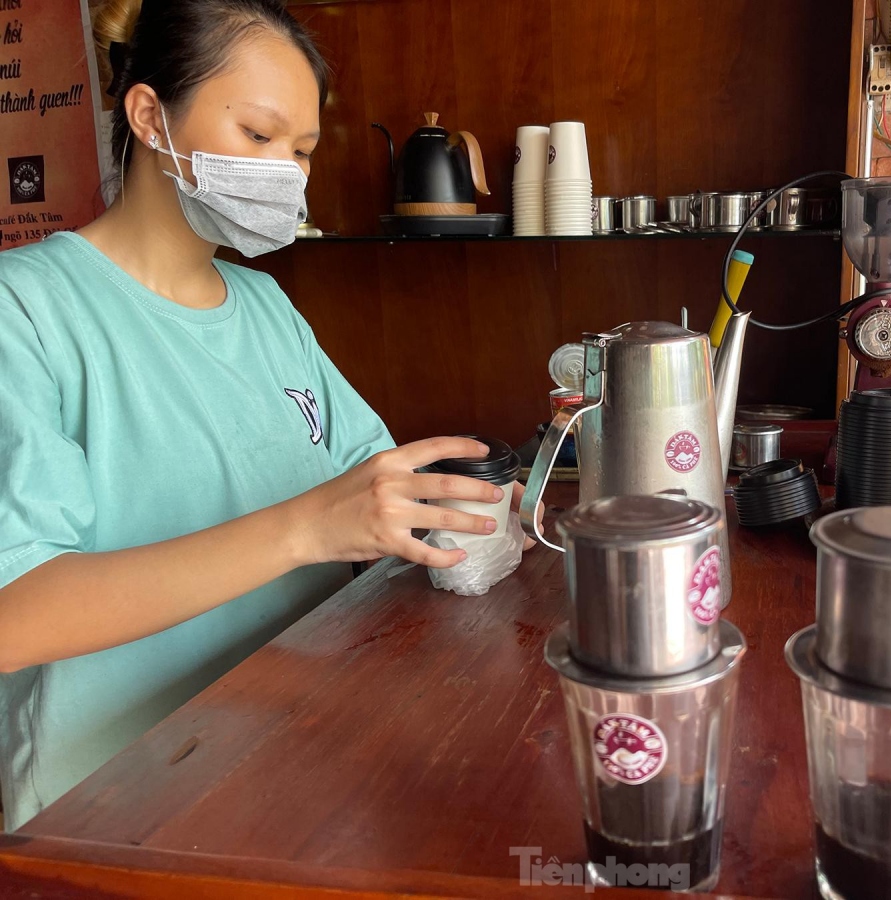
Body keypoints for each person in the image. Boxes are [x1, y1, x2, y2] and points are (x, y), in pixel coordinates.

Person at [0, 0, 533, 832]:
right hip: (118, 814)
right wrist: (304, 531)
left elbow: (370, 484)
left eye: (303, 151)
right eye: (259, 136)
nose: (286, 172)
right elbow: (14, 613)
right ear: (149, 116)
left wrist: (479, 510)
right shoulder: (26, 312)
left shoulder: (266, 306)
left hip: (297, 761)